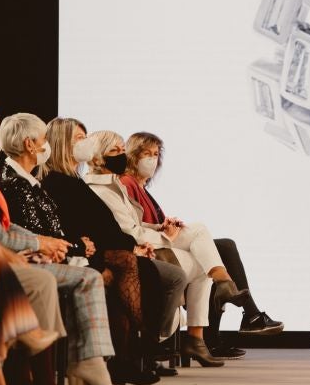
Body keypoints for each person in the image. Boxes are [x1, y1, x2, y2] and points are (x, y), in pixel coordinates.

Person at [0, 96, 129, 385]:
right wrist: (49, 244)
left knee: (85, 275)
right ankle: (44, 377)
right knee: (60, 279)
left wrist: (56, 243)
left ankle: (71, 369)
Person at [0, 114, 160, 385]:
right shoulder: (21, 181)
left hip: (59, 251)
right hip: (34, 258)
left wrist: (71, 244)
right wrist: (73, 246)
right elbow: (18, 229)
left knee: (125, 268)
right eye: (43, 140)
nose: (46, 145)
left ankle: (116, 357)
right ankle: (87, 364)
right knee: (105, 273)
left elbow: (51, 227)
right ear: (30, 144)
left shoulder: (35, 181)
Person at [84, 131, 247, 368]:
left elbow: (137, 224)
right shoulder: (105, 189)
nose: (122, 155)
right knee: (202, 248)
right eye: (116, 151)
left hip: (148, 240)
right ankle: (195, 329)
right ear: (98, 157)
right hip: (141, 248)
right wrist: (163, 234)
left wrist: (160, 226)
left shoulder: (115, 184)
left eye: (122, 150)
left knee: (203, 247)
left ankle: (201, 327)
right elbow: (130, 232)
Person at [41, 118, 185, 379]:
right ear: (63, 143)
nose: (86, 144)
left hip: (103, 248)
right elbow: (84, 227)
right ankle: (137, 347)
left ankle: (132, 352)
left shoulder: (75, 180)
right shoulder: (59, 182)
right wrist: (131, 246)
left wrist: (136, 244)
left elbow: (108, 226)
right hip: (83, 253)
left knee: (140, 269)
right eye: (79, 139)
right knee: (134, 267)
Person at [121, 132, 283, 359]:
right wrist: (164, 230)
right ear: (132, 155)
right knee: (219, 250)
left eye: (156, 154)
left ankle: (228, 324)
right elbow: (134, 227)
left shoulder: (142, 188)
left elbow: (149, 224)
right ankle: (241, 317)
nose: (152, 159)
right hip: (154, 250)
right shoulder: (127, 184)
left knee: (220, 250)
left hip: (162, 245)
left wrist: (166, 225)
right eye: (146, 154)